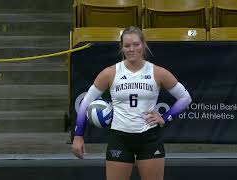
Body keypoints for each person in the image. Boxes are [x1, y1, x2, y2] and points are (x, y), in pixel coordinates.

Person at [72, 26, 192, 180]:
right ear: (122, 47)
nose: (131, 49)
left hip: (149, 138)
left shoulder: (157, 72)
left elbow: (185, 98)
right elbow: (85, 103)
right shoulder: (110, 73)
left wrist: (166, 117)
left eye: (136, 44)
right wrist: (78, 135)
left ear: (143, 44)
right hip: (120, 138)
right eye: (127, 45)